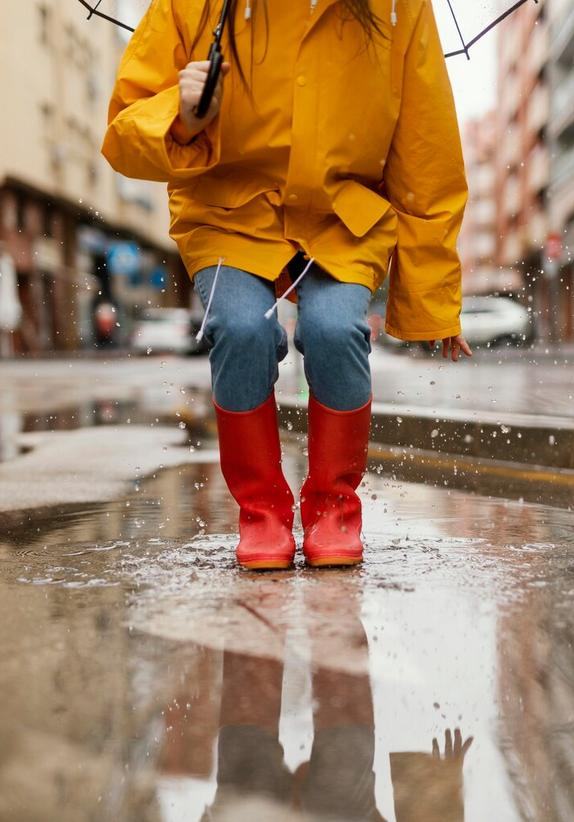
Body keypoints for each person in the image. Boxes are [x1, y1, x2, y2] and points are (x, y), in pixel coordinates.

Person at [102, 0, 472, 571]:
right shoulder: (196, 4)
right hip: (228, 211)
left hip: (342, 215)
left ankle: (333, 507)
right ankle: (263, 511)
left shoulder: (398, 8)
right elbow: (125, 128)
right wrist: (181, 114)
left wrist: (431, 297)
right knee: (240, 327)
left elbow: (428, 154)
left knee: (335, 329)